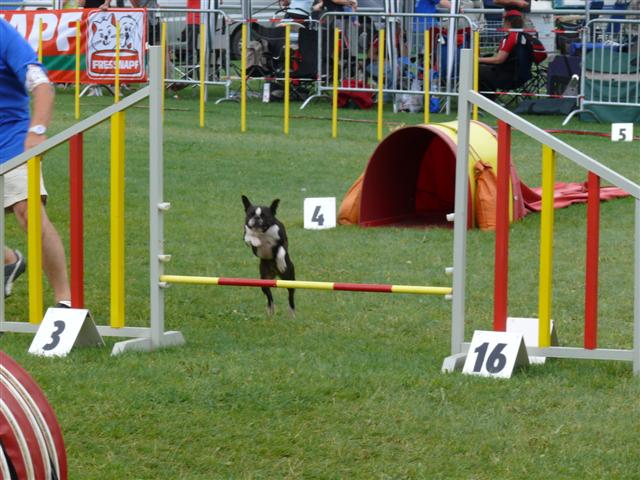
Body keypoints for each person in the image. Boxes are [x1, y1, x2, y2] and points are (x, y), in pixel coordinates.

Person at [0, 18, 72, 307]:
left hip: (12, 137)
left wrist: (38, 129)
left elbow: (40, 84)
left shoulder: (4, 34)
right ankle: (9, 261)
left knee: (28, 211)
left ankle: (64, 299)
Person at [477, 9, 533, 99]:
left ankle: (486, 100)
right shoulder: (525, 37)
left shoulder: (511, 37)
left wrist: (477, 59)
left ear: (507, 22)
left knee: (476, 70)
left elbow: (499, 59)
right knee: (485, 69)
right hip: (523, 76)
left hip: (508, 77)